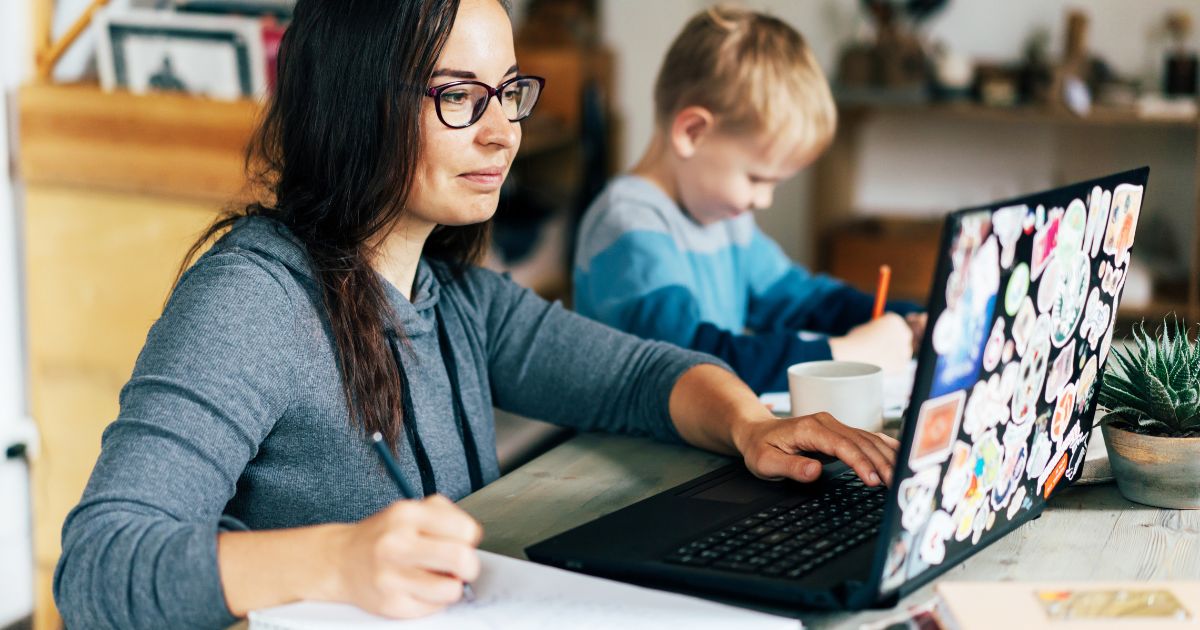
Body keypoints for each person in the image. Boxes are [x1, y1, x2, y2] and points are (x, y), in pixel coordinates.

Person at [53, 1, 900, 628]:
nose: (503, 134)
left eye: (508, 94)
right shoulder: (250, 301)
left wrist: (750, 426)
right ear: (357, 104)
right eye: (461, 95)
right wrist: (336, 559)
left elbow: (641, 375)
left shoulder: (453, 295)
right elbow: (97, 566)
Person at [572, 6, 926, 394]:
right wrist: (841, 353)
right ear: (692, 132)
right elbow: (694, 361)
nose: (764, 200)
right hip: (624, 448)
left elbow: (802, 300)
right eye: (757, 178)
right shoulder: (628, 225)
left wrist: (907, 318)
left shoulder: (723, 218)